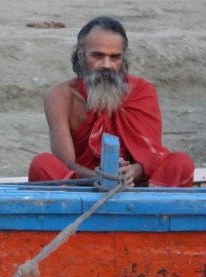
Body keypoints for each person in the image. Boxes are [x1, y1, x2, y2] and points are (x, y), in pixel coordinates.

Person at [28, 16, 194, 187]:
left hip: (135, 186)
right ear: (81, 55)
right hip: (84, 185)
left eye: (115, 57)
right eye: (97, 55)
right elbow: (66, 163)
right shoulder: (60, 95)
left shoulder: (142, 90)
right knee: (42, 164)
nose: (107, 65)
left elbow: (151, 155)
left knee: (180, 163)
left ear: (123, 59)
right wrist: (101, 178)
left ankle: (154, 211)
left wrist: (132, 172)